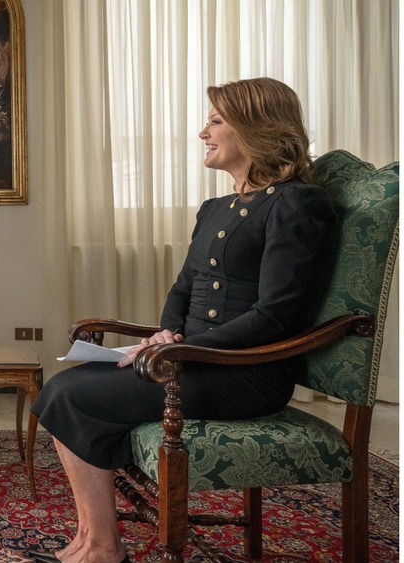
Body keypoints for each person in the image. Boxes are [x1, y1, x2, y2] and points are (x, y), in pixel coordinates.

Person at [28, 77, 338, 563]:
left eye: (216, 121)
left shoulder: (297, 204)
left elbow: (275, 315)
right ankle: (91, 541)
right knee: (67, 387)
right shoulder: (215, 209)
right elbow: (183, 287)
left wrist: (180, 351)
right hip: (190, 360)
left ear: (256, 128)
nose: (202, 133)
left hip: (247, 375)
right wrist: (167, 331)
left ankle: (103, 549)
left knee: (71, 395)